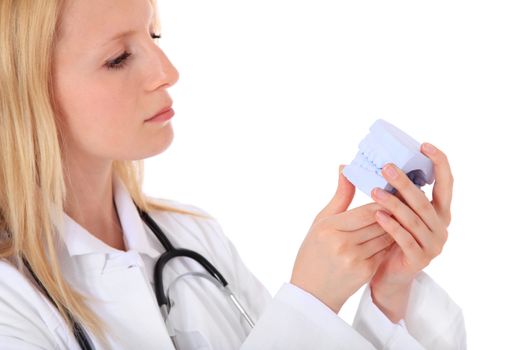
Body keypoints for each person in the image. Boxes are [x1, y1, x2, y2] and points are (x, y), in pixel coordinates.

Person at [0, 0, 466, 349]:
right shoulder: (9, 300)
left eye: (154, 38)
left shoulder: (194, 237)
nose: (167, 72)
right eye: (119, 58)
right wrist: (309, 300)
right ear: (25, 92)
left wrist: (390, 291)